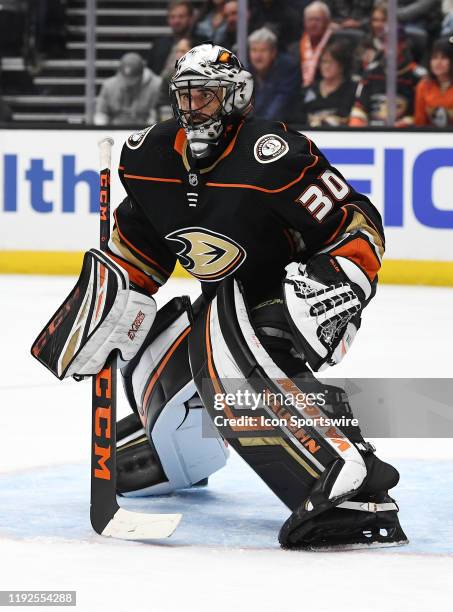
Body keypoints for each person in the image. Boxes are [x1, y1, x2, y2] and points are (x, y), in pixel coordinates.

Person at [32, 43, 407, 551]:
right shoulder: (149, 158)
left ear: (235, 99)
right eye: (185, 97)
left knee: (222, 354)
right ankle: (176, 453)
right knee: (154, 356)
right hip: (225, 302)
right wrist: (104, 304)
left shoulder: (274, 155)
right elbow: (139, 249)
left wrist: (341, 279)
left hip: (297, 299)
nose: (193, 109)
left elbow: (356, 224)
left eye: (206, 97)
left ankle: (352, 484)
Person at [349, 33, 426, 127]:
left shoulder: (417, 75)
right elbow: (359, 106)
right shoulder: (371, 71)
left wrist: (408, 122)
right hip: (371, 128)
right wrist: (357, 120)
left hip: (403, 129)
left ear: (403, 44)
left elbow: (421, 112)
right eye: (386, 43)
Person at [290, 40, 357, 126]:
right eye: (324, 61)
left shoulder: (351, 90)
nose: (326, 66)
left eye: (331, 62)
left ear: (342, 65)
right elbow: (295, 115)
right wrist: (310, 119)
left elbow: (348, 115)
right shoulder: (309, 90)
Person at [94, 53, 162, 126]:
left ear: (141, 74)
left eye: (132, 79)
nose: (128, 82)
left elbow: (157, 116)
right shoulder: (108, 85)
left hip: (144, 130)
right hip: (115, 131)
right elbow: (101, 114)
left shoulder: (157, 86)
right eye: (125, 78)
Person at [248, 27, 301, 120]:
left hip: (284, 127)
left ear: (273, 52)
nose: (258, 56)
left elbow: (279, 104)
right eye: (254, 50)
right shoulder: (246, 71)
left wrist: (257, 127)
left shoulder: (287, 68)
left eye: (263, 50)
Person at [146, 0, 194, 76]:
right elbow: (149, 73)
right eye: (172, 17)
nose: (176, 21)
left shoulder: (201, 44)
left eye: (181, 16)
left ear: (190, 18)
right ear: (168, 19)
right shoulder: (159, 43)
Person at [292, 1, 333, 87]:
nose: (313, 24)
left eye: (317, 20)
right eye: (310, 19)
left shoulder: (335, 46)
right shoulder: (294, 49)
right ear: (304, 22)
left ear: (327, 22)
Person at [415, 37, 453, 126]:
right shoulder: (423, 86)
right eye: (434, 58)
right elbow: (419, 122)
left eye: (444, 58)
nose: (438, 62)